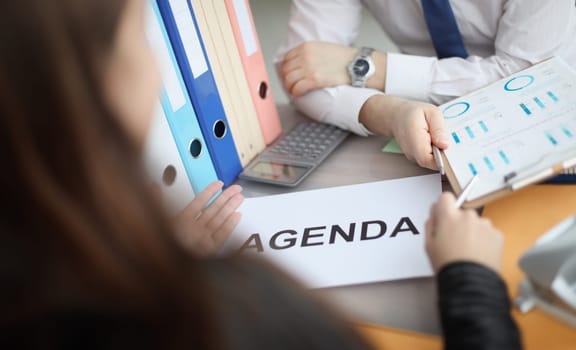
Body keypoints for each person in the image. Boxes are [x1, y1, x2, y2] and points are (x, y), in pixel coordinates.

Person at [0, 0, 521, 349]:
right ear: (92, 84)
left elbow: (547, 72)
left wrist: (371, 78)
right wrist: (471, 284)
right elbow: (301, 72)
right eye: (141, 35)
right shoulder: (233, 312)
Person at [276, 0, 576, 169]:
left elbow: (528, 79)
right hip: (423, 142)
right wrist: (386, 112)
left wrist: (372, 66)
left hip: (556, 132)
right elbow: (299, 69)